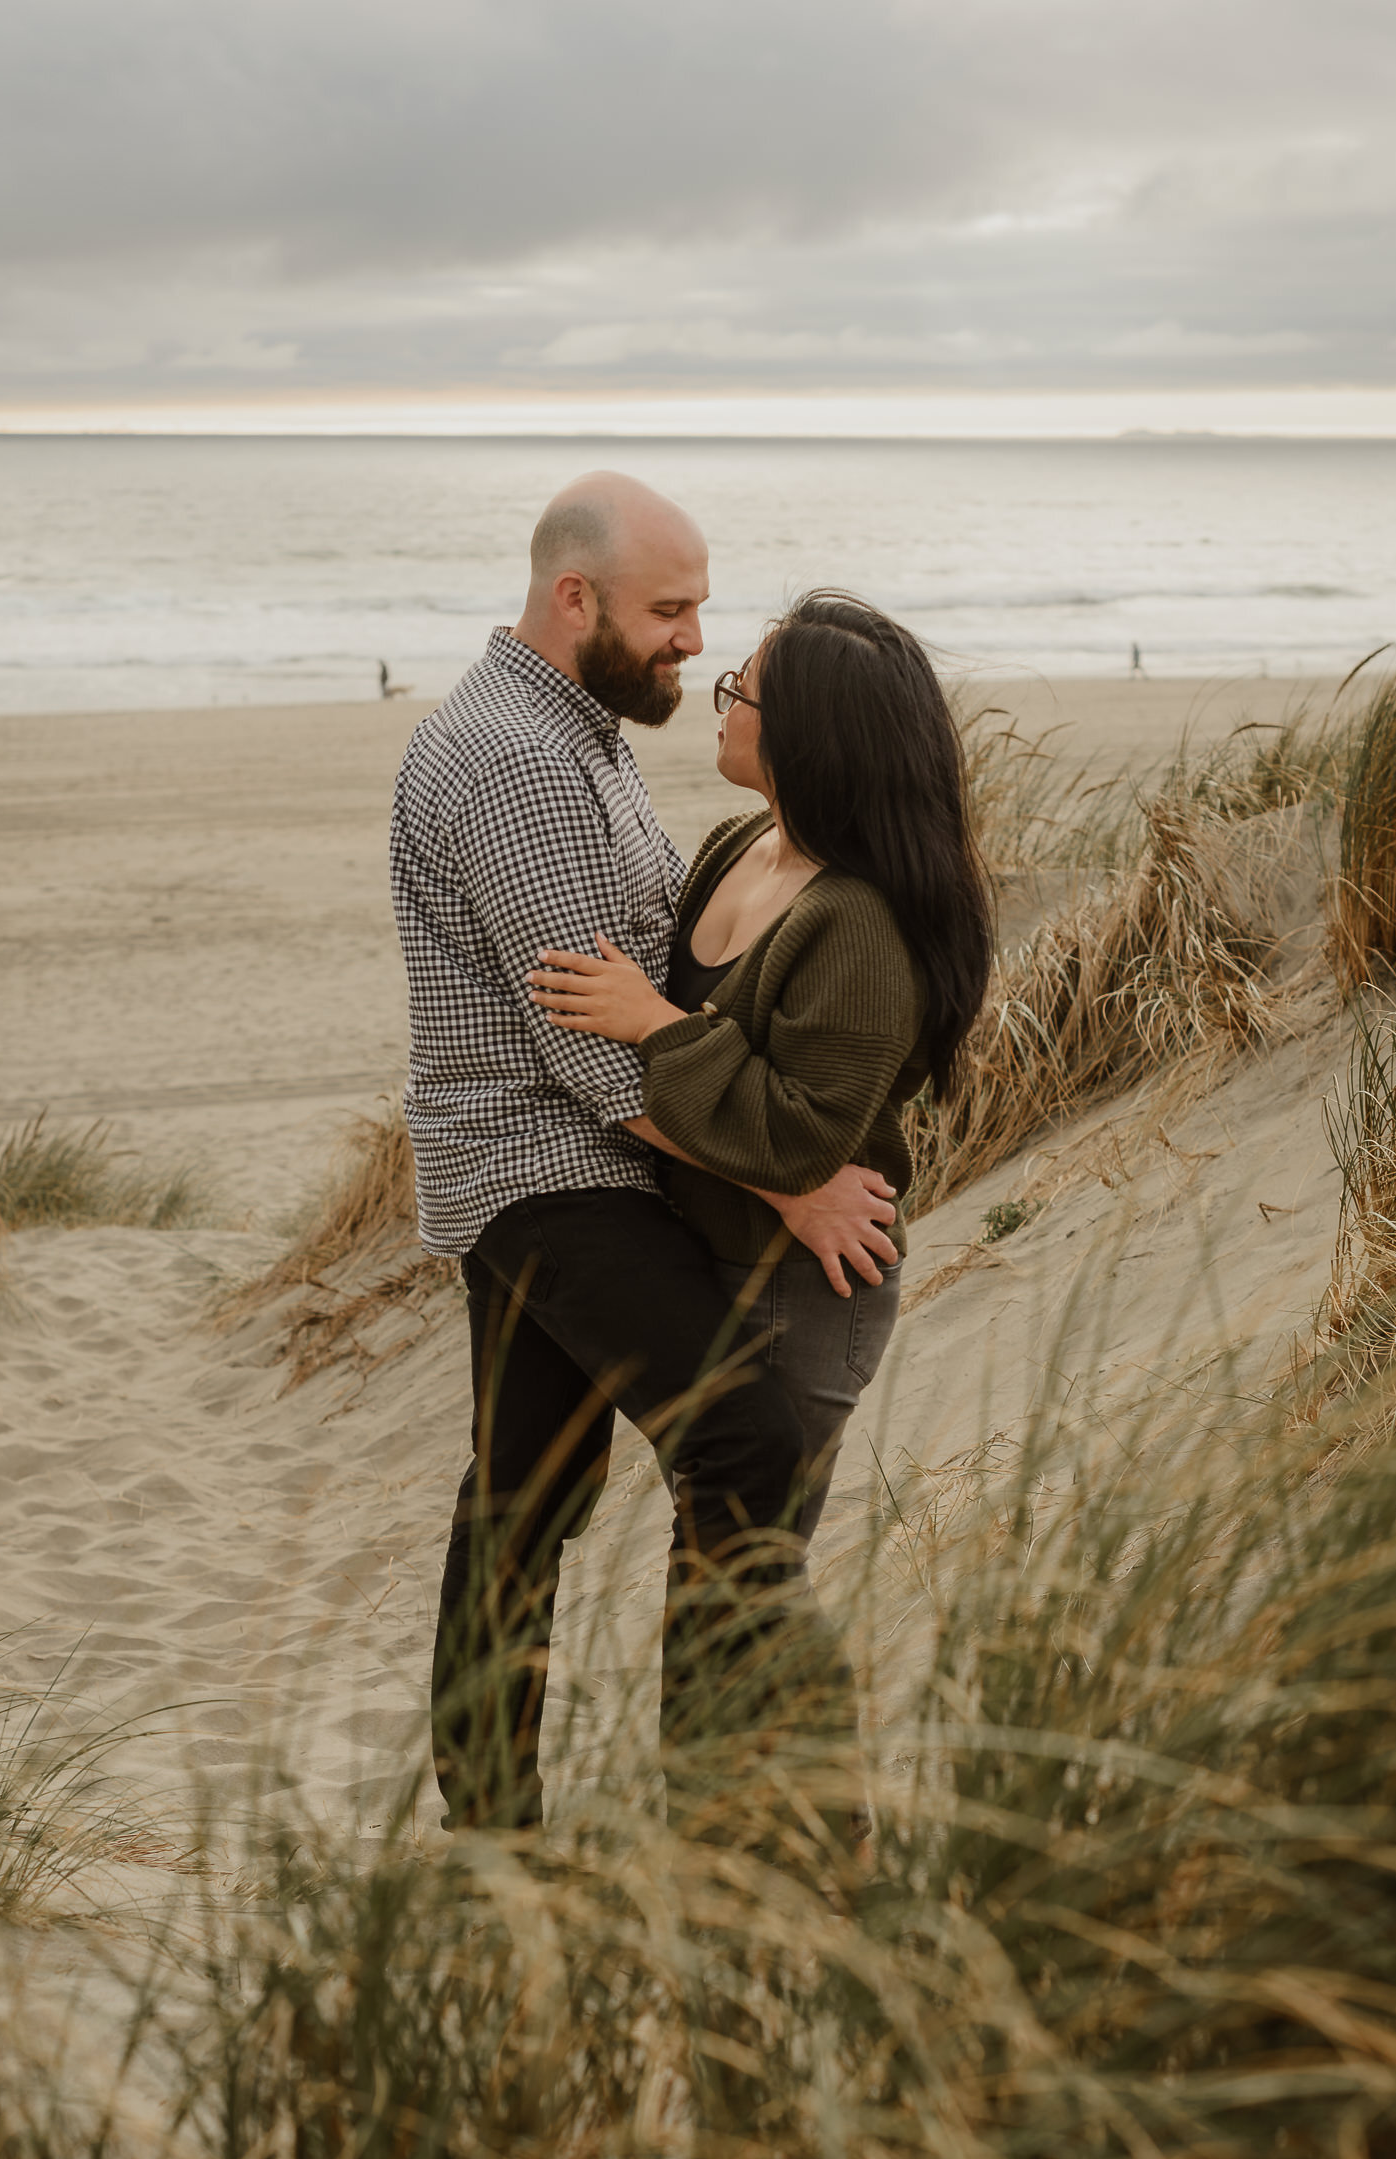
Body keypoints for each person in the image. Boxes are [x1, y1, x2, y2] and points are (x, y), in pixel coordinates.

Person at [388, 476, 900, 1831]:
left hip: (543, 1165)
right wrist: (787, 1184)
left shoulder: (579, 734)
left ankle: (492, 1817)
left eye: (698, 611)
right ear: (576, 599)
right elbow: (590, 1057)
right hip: (553, 1172)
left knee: (522, 1496)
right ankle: (752, 1787)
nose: (691, 640)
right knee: (743, 1433)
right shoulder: (521, 763)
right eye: (669, 611)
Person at [529, 589, 993, 1560]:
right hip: (707, 1254)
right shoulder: (737, 847)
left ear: (804, 736)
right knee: (721, 1556)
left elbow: (800, 1135)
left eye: (741, 689)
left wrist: (656, 1026)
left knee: (738, 1570)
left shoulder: (857, 922)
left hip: (805, 1286)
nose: (723, 696)